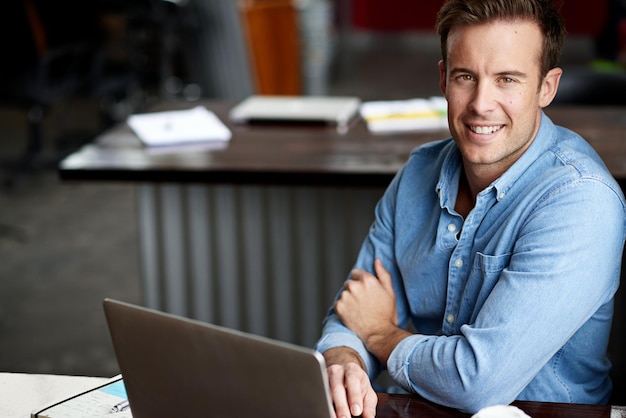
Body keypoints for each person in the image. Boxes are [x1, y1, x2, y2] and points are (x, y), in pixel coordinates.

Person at [315, 0, 626, 416]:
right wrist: (344, 359)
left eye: (507, 80)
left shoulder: (580, 201)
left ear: (546, 88)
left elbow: (478, 382)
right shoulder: (417, 174)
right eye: (466, 76)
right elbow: (355, 305)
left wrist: (377, 332)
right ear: (444, 78)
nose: (481, 103)